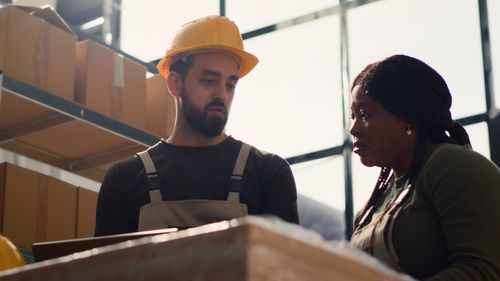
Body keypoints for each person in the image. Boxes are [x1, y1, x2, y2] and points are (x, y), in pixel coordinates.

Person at [95, 15, 299, 236]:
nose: (222, 94)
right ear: (175, 83)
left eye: (230, 85)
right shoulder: (124, 180)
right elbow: (104, 271)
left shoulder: (268, 174)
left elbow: (285, 267)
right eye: (209, 81)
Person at [348, 54, 500, 280]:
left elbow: (483, 271)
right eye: (352, 116)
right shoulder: (370, 208)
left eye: (365, 114)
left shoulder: (454, 166)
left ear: (408, 116)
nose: (354, 129)